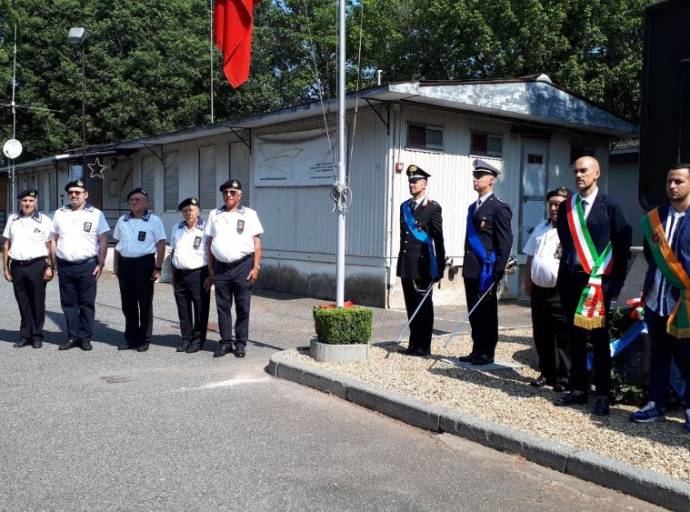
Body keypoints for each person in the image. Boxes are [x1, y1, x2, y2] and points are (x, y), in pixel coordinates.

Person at [554, 156, 631, 416]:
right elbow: (567, 245)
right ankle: (578, 389)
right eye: (575, 171)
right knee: (573, 338)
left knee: (598, 341)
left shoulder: (610, 206)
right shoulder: (566, 207)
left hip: (598, 284)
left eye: (584, 170)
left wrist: (615, 288)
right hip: (571, 283)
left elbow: (622, 250)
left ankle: (602, 394)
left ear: (597, 173)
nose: (578, 175)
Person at [631, 163, 690, 432]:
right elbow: (651, 257)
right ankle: (656, 403)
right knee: (658, 355)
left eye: (678, 181)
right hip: (658, 299)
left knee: (688, 357)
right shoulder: (656, 217)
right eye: (669, 181)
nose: (672, 186)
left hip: (686, 302)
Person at [460, 159, 513, 365]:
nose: (475, 179)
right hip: (471, 269)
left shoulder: (499, 208)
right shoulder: (472, 207)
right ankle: (476, 348)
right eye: (475, 176)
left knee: (488, 313)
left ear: (491, 180)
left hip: (486, 270)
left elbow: (505, 242)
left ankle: (487, 352)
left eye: (479, 176)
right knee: (474, 311)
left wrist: (498, 271)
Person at [205, 179, 263, 358]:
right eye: (225, 193)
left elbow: (257, 243)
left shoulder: (250, 214)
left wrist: (256, 266)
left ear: (240, 195)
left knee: (242, 307)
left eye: (232, 192)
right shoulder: (214, 214)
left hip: (243, 266)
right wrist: (210, 270)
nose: (228, 195)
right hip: (221, 268)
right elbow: (208, 243)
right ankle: (225, 342)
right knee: (223, 307)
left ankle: (240, 343)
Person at [51, 179, 110, 351]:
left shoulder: (96, 214)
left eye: (78, 192)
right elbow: (53, 239)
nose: (74, 195)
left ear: (86, 194)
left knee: (86, 303)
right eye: (71, 192)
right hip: (65, 265)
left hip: (87, 265)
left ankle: (85, 337)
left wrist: (101, 262)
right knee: (68, 303)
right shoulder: (59, 213)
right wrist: (54, 263)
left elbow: (103, 239)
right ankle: (72, 336)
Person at [522, 187, 571, 390]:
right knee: (541, 334)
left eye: (558, 204)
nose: (553, 208)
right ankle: (547, 373)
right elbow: (531, 256)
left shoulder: (571, 230)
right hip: (539, 290)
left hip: (559, 291)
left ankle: (565, 378)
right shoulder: (541, 228)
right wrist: (527, 281)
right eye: (551, 204)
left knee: (563, 336)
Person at [396, 165, 445, 357]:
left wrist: (439, 266)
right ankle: (413, 342)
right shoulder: (404, 207)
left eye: (416, 180)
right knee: (411, 305)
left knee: (423, 306)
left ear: (425, 183)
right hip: (407, 264)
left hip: (423, 265)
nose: (412, 184)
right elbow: (404, 238)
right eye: (410, 180)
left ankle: (424, 345)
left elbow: (438, 238)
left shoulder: (433, 208)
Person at [113, 188, 166, 352]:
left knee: (144, 304)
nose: (135, 202)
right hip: (125, 265)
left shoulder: (154, 220)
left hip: (144, 265)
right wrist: (116, 266)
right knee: (127, 305)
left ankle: (144, 339)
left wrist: (158, 267)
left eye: (138, 199)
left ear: (146, 203)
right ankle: (131, 338)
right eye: (132, 200)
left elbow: (161, 245)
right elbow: (117, 245)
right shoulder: (123, 220)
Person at [2, 189, 54, 349]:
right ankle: (25, 336)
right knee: (22, 302)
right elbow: (6, 244)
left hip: (37, 265)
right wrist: (5, 267)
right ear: (20, 202)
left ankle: (37, 335)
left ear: (35, 202)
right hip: (17, 266)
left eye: (31, 201)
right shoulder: (13, 219)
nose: (27, 203)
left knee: (37, 301)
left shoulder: (44, 220)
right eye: (24, 201)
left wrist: (51, 266)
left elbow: (50, 244)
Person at [170, 197, 211, 353]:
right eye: (185, 211)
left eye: (191, 210)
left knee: (201, 308)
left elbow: (211, 253)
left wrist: (210, 275)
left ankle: (199, 340)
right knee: (183, 309)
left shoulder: (206, 228)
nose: (188, 213)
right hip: (180, 273)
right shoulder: (177, 228)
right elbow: (173, 250)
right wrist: (172, 273)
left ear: (198, 211)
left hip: (199, 273)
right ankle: (186, 339)